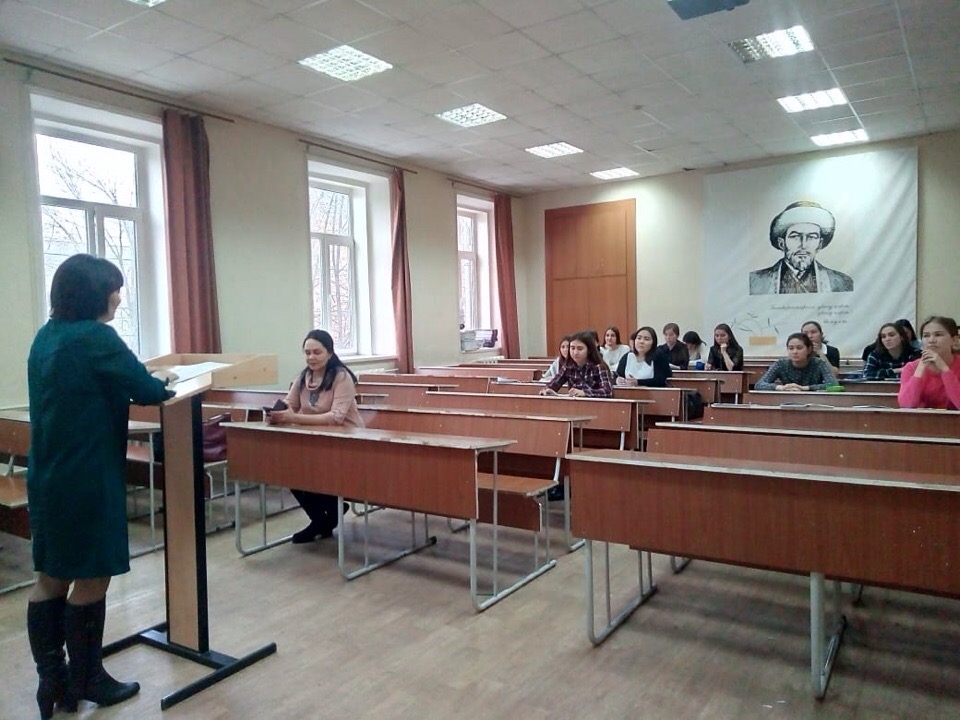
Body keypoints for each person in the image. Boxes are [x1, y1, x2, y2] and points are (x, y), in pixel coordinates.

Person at [26, 254, 175, 718]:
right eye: (114, 289)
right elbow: (148, 390)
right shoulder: (96, 337)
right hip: (88, 476)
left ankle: (53, 681)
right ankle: (89, 678)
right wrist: (165, 384)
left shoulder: (45, 337)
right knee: (93, 576)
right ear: (94, 294)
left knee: (51, 577)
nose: (118, 297)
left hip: (48, 475)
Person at [269, 330, 364, 543]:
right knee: (292, 474)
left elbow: (336, 417)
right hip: (314, 439)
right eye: (307, 353)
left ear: (329, 353)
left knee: (318, 473)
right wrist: (277, 413)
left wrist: (294, 418)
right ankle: (323, 518)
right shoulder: (303, 377)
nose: (311, 357)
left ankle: (325, 518)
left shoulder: (342, 377)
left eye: (317, 352)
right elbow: (290, 404)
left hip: (347, 440)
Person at [748, 201, 854, 295]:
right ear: (782, 243)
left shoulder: (841, 282)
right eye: (795, 236)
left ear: (820, 244)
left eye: (811, 237)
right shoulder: (756, 282)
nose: (803, 245)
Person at [898, 316, 960, 410]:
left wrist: (945, 369)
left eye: (938, 335)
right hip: (922, 419)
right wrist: (920, 369)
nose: (931, 340)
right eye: (926, 336)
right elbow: (906, 405)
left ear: (954, 340)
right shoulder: (910, 368)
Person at [754, 332, 838, 391]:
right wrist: (781, 388)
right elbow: (759, 385)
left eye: (799, 348)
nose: (794, 352)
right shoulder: (780, 364)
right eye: (791, 348)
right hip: (787, 401)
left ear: (809, 349)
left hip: (813, 401)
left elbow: (833, 385)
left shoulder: (818, 363)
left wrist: (804, 388)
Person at [539, 330, 613, 397]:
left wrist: (585, 393)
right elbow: (554, 383)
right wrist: (547, 390)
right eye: (572, 348)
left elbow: (607, 391)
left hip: (596, 406)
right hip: (574, 405)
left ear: (589, 350)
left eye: (580, 349)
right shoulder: (568, 366)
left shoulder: (599, 366)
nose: (575, 352)